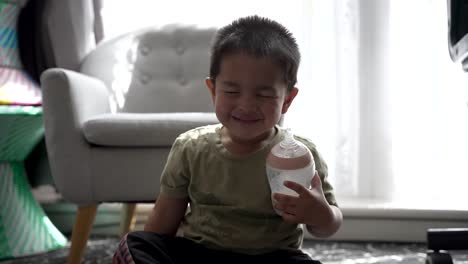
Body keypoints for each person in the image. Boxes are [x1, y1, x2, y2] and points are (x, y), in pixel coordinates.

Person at [113, 15, 342, 264]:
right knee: (135, 244)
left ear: (287, 99)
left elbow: (328, 225)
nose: (246, 105)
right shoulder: (190, 148)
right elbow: (163, 222)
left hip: (273, 257)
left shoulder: (301, 154)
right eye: (232, 91)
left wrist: (320, 215)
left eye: (264, 94)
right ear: (213, 91)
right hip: (200, 255)